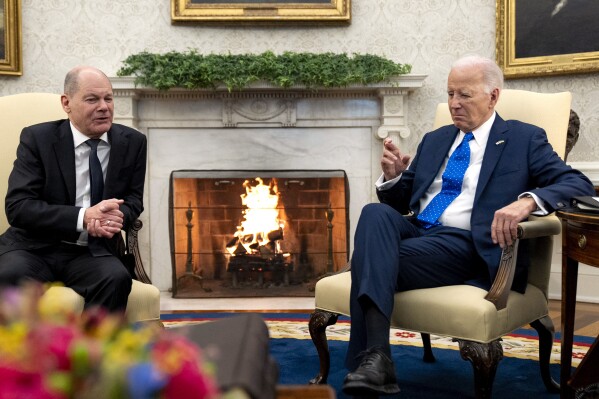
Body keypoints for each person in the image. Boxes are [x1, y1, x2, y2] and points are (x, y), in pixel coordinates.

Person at [342, 55, 596, 397]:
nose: (453, 104)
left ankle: (371, 360)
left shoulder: (523, 139)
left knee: (367, 259)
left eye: (464, 95)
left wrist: (527, 202)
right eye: (449, 95)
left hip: (468, 244)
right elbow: (403, 203)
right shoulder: (436, 139)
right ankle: (379, 357)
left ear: (493, 96)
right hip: (420, 231)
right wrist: (393, 179)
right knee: (375, 213)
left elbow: (576, 183)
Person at [0, 66, 147, 312]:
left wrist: (117, 217)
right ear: (66, 103)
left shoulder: (132, 142)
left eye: (108, 98)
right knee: (8, 275)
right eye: (92, 99)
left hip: (92, 251)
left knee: (115, 279)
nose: (104, 107)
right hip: (34, 248)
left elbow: (133, 198)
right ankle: (26, 351)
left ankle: (91, 350)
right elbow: (18, 207)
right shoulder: (39, 139)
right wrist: (84, 217)